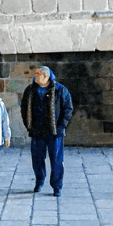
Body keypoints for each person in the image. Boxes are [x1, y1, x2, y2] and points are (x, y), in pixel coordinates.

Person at [20, 64, 73, 196]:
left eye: (38, 73)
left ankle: (57, 186)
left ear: (46, 76)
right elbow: (24, 108)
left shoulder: (60, 90)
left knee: (56, 160)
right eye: (35, 73)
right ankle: (39, 181)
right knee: (37, 159)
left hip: (54, 132)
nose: (35, 75)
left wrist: (61, 127)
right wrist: (29, 125)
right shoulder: (30, 90)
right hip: (37, 132)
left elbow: (68, 109)